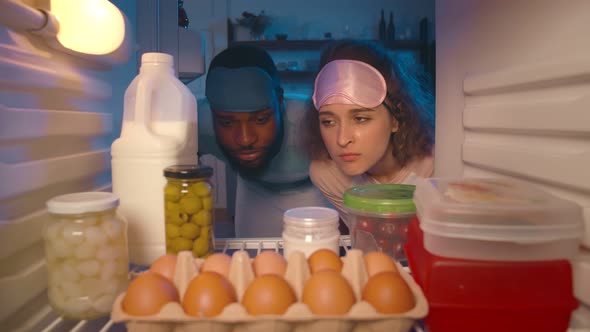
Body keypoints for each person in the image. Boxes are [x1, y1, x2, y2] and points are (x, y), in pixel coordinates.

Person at [303, 40, 435, 230]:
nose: (342, 139)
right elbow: (373, 240)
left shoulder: (434, 164)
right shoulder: (327, 175)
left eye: (361, 119)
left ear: (396, 119)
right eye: (328, 122)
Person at [199, 45, 329, 237]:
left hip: (314, 191)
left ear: (280, 100)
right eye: (226, 122)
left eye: (261, 119)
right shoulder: (194, 125)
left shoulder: (314, 122)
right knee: (255, 262)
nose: (245, 139)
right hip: (254, 192)